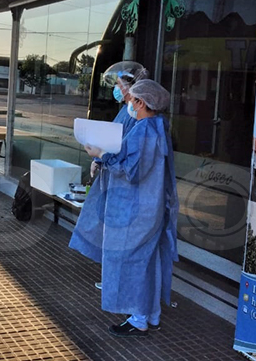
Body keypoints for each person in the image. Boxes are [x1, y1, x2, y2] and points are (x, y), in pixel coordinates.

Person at [71, 79, 179, 338]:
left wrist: (100, 155)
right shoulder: (159, 127)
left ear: (141, 102)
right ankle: (150, 315)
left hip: (136, 212)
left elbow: (131, 169)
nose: (128, 102)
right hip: (150, 209)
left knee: (131, 263)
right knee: (147, 262)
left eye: (131, 99)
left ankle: (139, 318)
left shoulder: (143, 131)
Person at [69, 61, 150, 289]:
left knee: (120, 235)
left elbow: (125, 150)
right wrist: (98, 158)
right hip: (114, 179)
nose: (116, 89)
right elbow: (114, 141)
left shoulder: (138, 117)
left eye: (118, 84)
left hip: (124, 184)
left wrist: (102, 156)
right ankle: (114, 279)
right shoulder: (127, 111)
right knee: (111, 232)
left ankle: (119, 283)